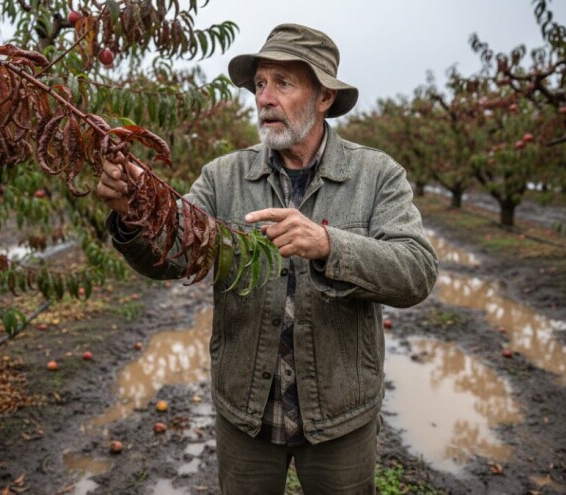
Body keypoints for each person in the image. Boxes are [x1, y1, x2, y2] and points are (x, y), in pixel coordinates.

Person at [96, 23, 438, 495]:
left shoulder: (376, 175)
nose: (264, 98)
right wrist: (136, 210)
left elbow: (416, 270)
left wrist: (328, 244)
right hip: (247, 412)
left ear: (323, 98)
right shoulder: (223, 177)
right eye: (260, 84)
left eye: (283, 83)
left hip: (341, 416)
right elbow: (172, 254)